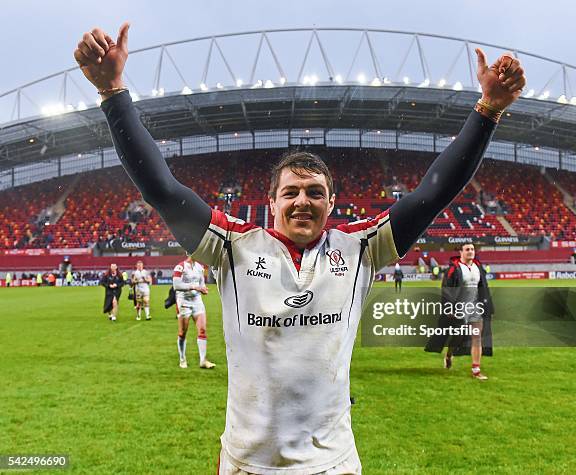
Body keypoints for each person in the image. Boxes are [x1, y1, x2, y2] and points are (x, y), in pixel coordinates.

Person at [75, 22, 524, 473]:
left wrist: (488, 111)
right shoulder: (232, 245)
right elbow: (163, 189)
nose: (302, 201)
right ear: (270, 203)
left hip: (332, 465)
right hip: (248, 464)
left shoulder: (360, 247)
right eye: (290, 192)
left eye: (314, 192)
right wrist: (113, 93)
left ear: (332, 203)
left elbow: (432, 193)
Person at [424, 243, 494, 380]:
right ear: (461, 252)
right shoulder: (454, 269)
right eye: (467, 249)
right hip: (459, 308)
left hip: (475, 307)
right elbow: (447, 289)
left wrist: (488, 305)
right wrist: (449, 308)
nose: (471, 252)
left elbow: (484, 287)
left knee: (476, 337)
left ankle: (476, 369)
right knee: (458, 338)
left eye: (472, 249)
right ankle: (449, 355)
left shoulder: (478, 267)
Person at [173, 255, 215, 369]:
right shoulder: (180, 267)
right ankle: (182, 359)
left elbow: (201, 284)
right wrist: (194, 287)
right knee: (182, 333)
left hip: (197, 301)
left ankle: (203, 361)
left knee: (202, 330)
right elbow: (176, 285)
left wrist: (204, 289)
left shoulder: (200, 267)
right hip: (183, 302)